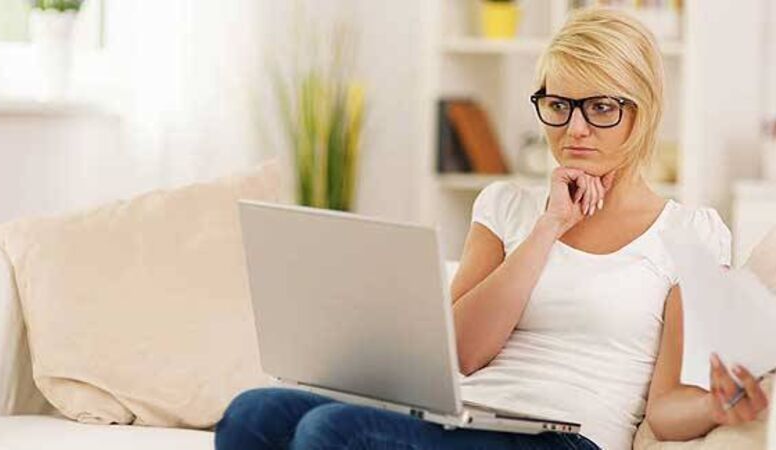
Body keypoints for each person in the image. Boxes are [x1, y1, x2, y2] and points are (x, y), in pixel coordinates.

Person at [214, 7, 768, 450]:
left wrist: (716, 406)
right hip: (468, 415)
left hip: (568, 438)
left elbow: (666, 405)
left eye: (600, 107)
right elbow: (462, 354)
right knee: (253, 412)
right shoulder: (506, 206)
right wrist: (549, 227)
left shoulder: (687, 232)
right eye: (558, 104)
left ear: (641, 114)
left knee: (332, 432)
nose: (575, 129)